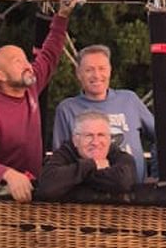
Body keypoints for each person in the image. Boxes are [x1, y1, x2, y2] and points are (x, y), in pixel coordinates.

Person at [0, 1, 74, 200]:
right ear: (1, 76)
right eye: (18, 62)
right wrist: (8, 174)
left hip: (34, 189)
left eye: (26, 59)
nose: (28, 65)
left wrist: (62, 16)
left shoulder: (29, 86)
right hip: (4, 196)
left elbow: (49, 55)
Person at [52, 43, 155, 177]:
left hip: (135, 191)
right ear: (78, 74)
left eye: (102, 68)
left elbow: (163, 137)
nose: (97, 75)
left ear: (110, 70)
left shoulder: (130, 99)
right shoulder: (67, 109)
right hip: (90, 192)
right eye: (89, 70)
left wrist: (157, 170)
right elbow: (60, 159)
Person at [34, 111, 140, 201]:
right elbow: (47, 187)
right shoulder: (65, 153)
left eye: (101, 135)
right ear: (75, 140)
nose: (95, 142)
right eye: (89, 136)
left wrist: (74, 178)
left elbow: (123, 182)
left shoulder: (121, 157)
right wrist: (91, 165)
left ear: (109, 139)